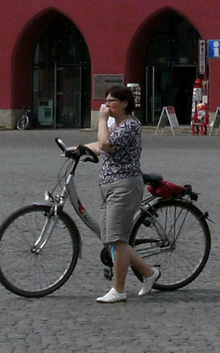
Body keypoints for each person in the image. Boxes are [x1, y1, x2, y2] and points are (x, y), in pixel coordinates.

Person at [83, 85, 159, 302]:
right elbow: (99, 144)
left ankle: (119, 290)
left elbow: (106, 144)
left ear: (125, 103)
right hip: (108, 187)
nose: (107, 105)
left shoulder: (130, 126)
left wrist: (100, 120)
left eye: (111, 101)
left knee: (117, 238)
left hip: (124, 186)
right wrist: (79, 148)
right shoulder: (113, 125)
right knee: (110, 239)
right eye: (105, 101)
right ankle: (149, 273)